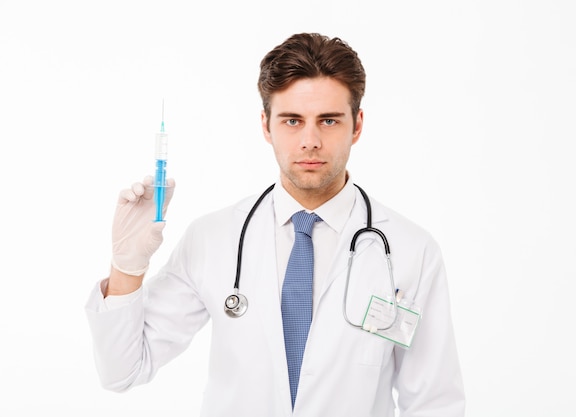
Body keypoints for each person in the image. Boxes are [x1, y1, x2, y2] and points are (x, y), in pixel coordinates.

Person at [85, 32, 465, 416]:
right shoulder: (213, 238)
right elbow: (122, 371)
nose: (310, 140)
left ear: (357, 125)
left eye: (329, 120)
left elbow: (435, 404)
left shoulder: (410, 250)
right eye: (292, 120)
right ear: (266, 126)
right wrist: (126, 269)